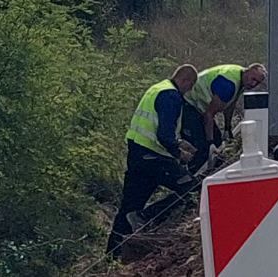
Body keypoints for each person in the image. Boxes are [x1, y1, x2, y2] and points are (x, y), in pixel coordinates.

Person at [108, 65, 200, 256]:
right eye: (189, 87)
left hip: (138, 155)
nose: (188, 91)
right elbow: (164, 135)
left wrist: (181, 142)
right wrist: (179, 153)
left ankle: (112, 255)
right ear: (186, 81)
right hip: (155, 158)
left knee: (130, 206)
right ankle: (148, 217)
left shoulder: (157, 88)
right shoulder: (171, 96)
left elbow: (157, 127)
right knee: (193, 189)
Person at [182, 63, 267, 171]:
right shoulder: (228, 85)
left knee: (216, 141)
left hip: (197, 107)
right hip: (187, 103)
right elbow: (209, 114)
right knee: (204, 145)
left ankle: (202, 170)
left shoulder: (240, 77)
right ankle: (190, 177)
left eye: (257, 82)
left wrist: (227, 128)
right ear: (247, 71)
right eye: (253, 79)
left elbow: (230, 104)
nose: (253, 83)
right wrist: (210, 142)